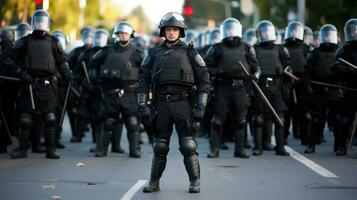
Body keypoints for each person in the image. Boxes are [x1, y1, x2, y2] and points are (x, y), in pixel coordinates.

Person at [139, 12, 210, 193]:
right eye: (168, 29)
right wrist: (143, 103)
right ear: (163, 31)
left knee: (188, 145)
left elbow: (204, 81)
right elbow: (143, 79)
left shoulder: (190, 52)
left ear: (181, 32)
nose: (171, 32)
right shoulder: (154, 53)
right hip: (161, 104)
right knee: (160, 146)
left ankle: (195, 182)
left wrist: (200, 107)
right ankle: (154, 183)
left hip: (183, 104)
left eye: (175, 29)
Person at [5, 10, 74, 159]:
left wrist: (67, 74)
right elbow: (9, 59)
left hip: (48, 86)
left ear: (48, 23)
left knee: (50, 118)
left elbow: (62, 62)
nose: (40, 24)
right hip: (29, 84)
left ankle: (50, 150)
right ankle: (23, 150)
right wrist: (20, 72)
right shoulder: (24, 41)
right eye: (37, 21)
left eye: (43, 21)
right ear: (33, 23)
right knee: (25, 119)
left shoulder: (54, 42)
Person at [205, 18, 260, 158]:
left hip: (240, 88)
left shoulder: (247, 48)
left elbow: (256, 67)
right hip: (222, 88)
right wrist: (221, 72)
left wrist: (254, 76)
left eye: (232, 29)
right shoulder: (216, 48)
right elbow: (206, 68)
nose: (230, 32)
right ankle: (214, 150)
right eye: (228, 29)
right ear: (224, 30)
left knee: (241, 121)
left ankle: (239, 150)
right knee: (217, 121)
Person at [89, 22, 144, 158]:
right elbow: (92, 64)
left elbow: (146, 72)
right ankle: (102, 149)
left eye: (125, 33)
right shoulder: (107, 50)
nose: (123, 36)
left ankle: (134, 149)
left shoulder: (138, 54)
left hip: (130, 94)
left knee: (132, 122)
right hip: (110, 93)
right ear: (117, 34)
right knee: (108, 122)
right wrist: (94, 77)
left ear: (130, 35)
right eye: (120, 33)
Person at [252, 20, 290, 156]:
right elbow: (251, 68)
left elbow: (288, 69)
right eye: (263, 32)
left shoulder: (280, 49)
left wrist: (286, 86)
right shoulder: (254, 49)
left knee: (280, 118)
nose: (266, 34)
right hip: (260, 87)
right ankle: (257, 147)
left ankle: (280, 147)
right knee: (259, 119)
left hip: (276, 87)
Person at [303, 24, 340, 154]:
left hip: (334, 90)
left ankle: (339, 146)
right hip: (318, 90)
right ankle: (311, 145)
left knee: (337, 119)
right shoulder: (314, 54)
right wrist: (308, 88)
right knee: (316, 119)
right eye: (326, 35)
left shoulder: (340, 52)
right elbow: (307, 73)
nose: (328, 38)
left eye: (330, 35)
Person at [331, 18, 357, 155]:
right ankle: (341, 145)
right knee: (345, 119)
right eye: (352, 31)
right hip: (350, 90)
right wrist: (348, 70)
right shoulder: (343, 50)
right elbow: (335, 66)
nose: (354, 34)